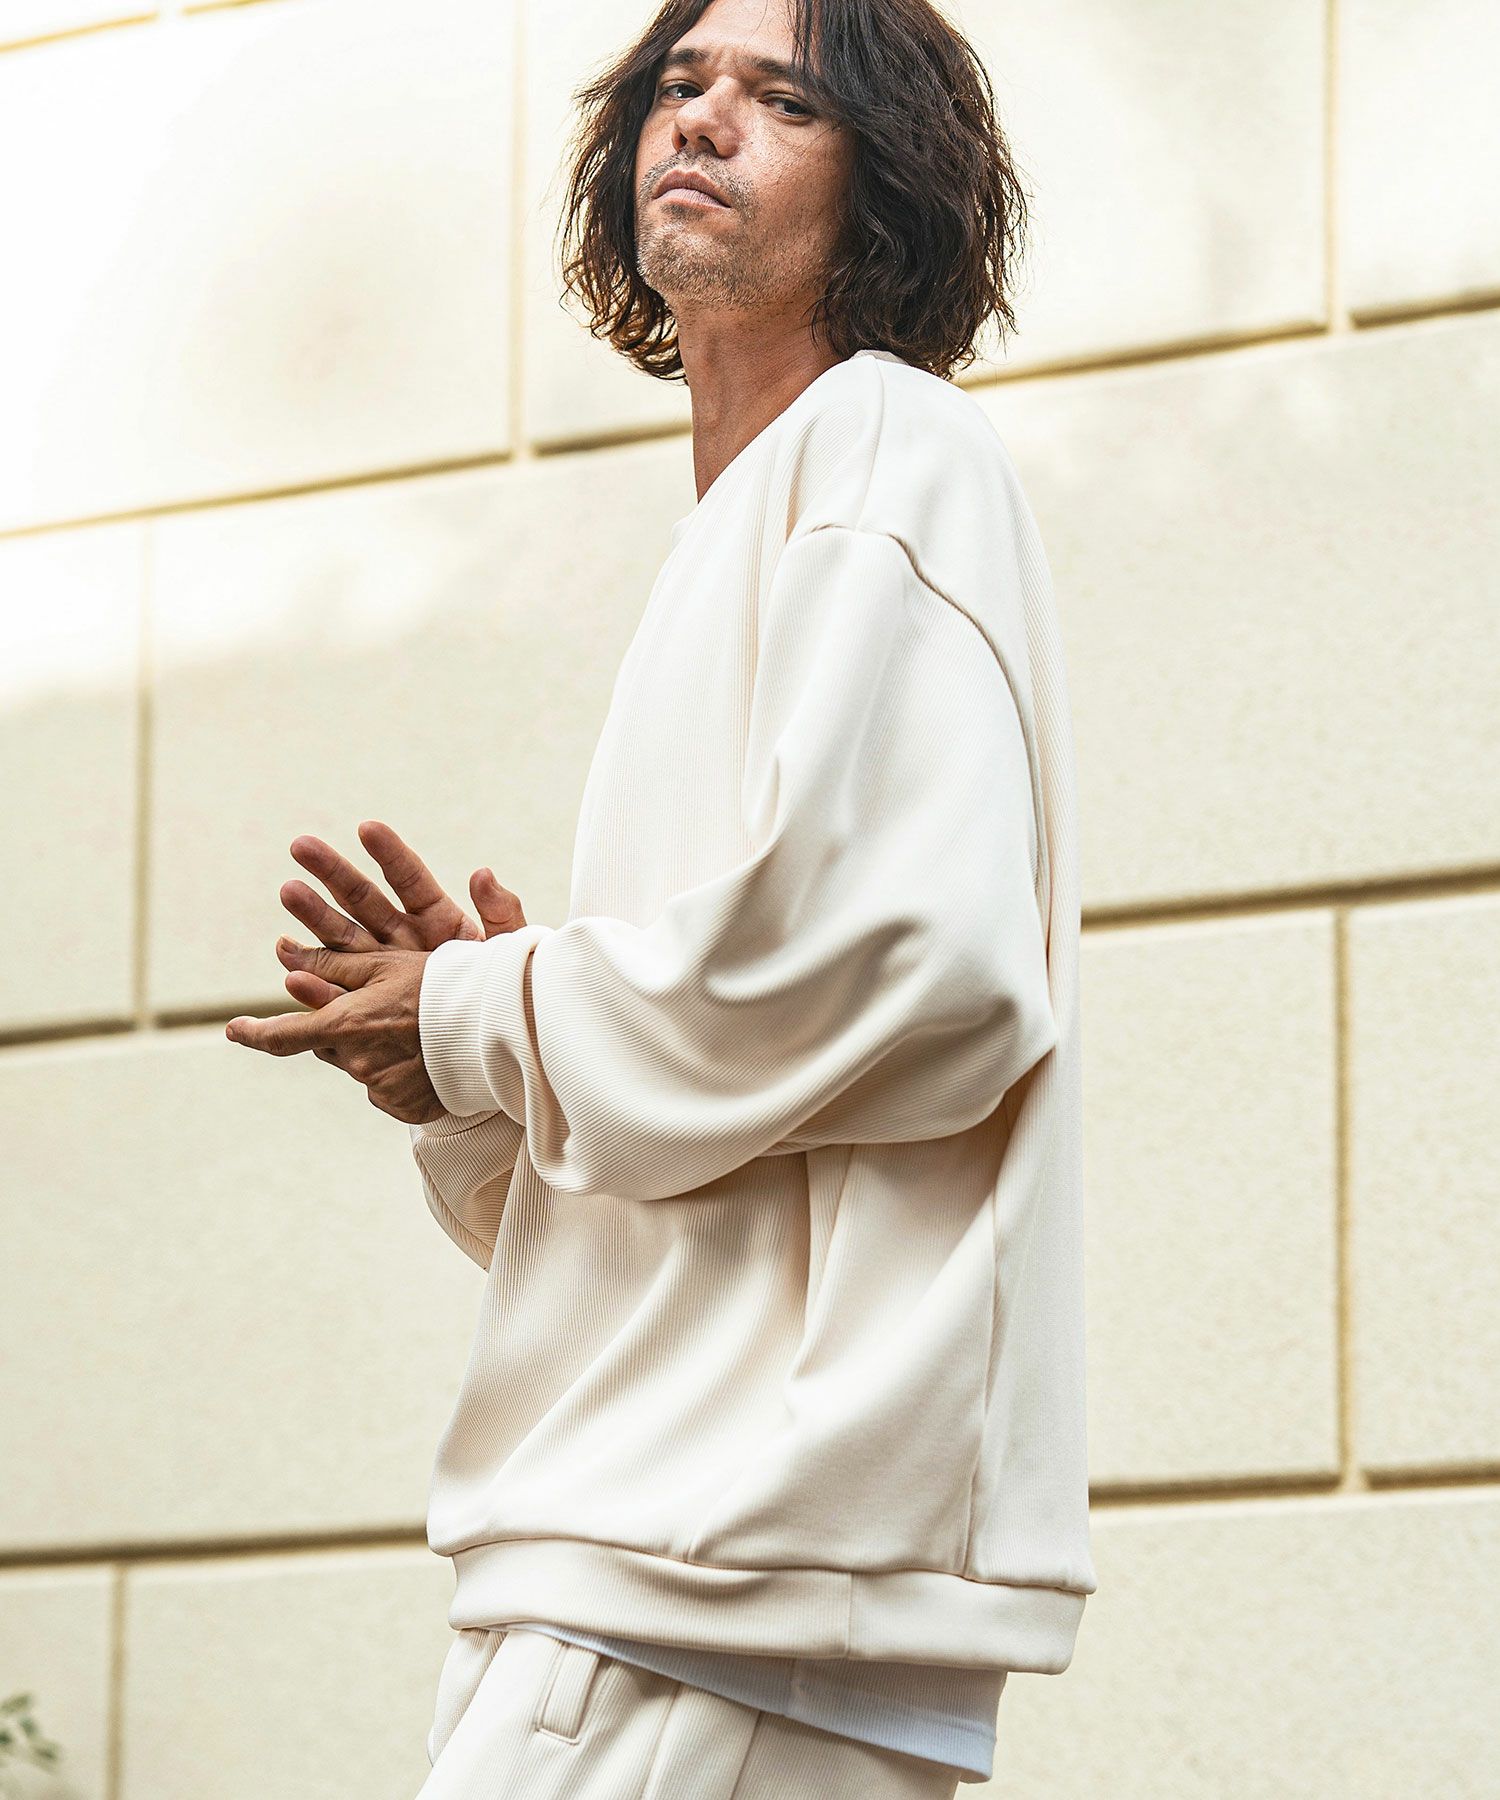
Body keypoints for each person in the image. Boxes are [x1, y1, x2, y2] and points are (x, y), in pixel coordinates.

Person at [225, 0, 1098, 1792]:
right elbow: (749, 1098)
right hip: (689, 1576)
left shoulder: (886, 450)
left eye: (786, 99)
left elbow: (921, 967)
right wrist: (478, 1070)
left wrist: (492, 1010)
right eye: (679, 86)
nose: (703, 121)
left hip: (702, 1591)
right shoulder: (756, 514)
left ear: (885, 190)